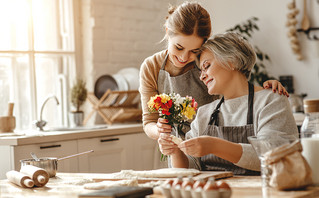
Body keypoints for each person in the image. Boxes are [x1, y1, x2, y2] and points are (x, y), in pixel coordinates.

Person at [139, 1, 288, 141]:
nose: (184, 57)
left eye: (194, 50)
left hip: (214, 144)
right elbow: (149, 121)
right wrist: (160, 131)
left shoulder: (206, 62)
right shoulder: (151, 67)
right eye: (179, 47)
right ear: (167, 32)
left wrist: (264, 91)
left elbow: (236, 92)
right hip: (175, 146)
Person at [158, 32, 298, 174]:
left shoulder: (270, 100)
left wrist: (215, 145)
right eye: (201, 70)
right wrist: (175, 151)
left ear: (232, 61)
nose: (202, 76)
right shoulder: (204, 113)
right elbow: (190, 168)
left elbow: (275, 156)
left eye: (206, 66)